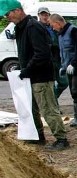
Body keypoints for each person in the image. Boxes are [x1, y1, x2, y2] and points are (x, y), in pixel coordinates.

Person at [1, 0, 70, 150]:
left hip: (41, 77)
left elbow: (42, 54)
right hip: (30, 76)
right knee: (32, 108)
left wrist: (27, 69)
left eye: (8, 13)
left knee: (48, 109)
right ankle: (38, 136)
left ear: (18, 10)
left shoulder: (33, 27)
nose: (7, 17)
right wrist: (22, 67)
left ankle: (61, 139)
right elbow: (28, 52)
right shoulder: (21, 27)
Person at [49, 13, 77, 128]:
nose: (53, 28)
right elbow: (64, 53)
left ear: (58, 22)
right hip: (69, 68)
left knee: (76, 91)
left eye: (53, 25)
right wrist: (63, 66)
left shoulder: (73, 31)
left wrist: (74, 64)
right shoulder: (61, 34)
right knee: (75, 92)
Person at [36, 7, 68, 99]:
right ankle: (55, 107)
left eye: (46, 15)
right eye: (42, 15)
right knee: (51, 85)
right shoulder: (37, 27)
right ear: (39, 16)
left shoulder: (53, 26)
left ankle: (54, 99)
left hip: (58, 59)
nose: (44, 17)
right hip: (47, 60)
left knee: (64, 83)